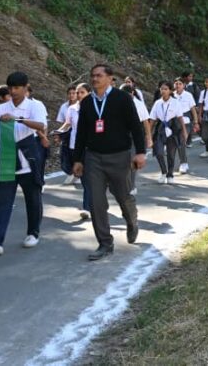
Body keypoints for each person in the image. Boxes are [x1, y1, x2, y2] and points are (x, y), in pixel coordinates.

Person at [73, 64, 146, 261]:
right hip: (94, 158)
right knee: (96, 202)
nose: (94, 79)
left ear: (110, 78)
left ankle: (132, 222)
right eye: (92, 75)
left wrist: (140, 153)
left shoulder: (122, 98)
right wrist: (78, 159)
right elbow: (81, 133)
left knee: (124, 197)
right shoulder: (87, 103)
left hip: (120, 156)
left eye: (99, 75)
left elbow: (135, 127)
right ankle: (105, 243)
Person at [0, 71, 47, 256]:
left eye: (17, 88)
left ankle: (33, 233)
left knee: (33, 197)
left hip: (28, 155)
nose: (13, 91)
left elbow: (41, 125)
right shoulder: (1, 108)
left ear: (25, 87)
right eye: (10, 88)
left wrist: (17, 119)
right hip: (6, 157)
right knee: (2, 199)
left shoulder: (35, 105)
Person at [56, 83, 92, 219]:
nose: (79, 95)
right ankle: (93, 201)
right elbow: (67, 124)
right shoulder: (72, 109)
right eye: (77, 92)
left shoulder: (95, 108)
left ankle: (87, 208)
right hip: (74, 147)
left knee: (87, 179)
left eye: (82, 92)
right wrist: (58, 132)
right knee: (80, 175)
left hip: (90, 148)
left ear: (89, 93)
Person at [150, 82, 184, 184]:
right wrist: (149, 134)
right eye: (161, 89)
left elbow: (180, 118)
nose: (163, 91)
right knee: (158, 152)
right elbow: (152, 119)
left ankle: (170, 174)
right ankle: (163, 172)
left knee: (171, 154)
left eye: (165, 89)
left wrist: (184, 131)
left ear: (170, 91)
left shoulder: (175, 102)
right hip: (161, 128)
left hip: (173, 127)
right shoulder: (157, 103)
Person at [172, 78, 199, 175]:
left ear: (183, 85)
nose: (178, 85)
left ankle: (183, 163)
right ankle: (175, 163)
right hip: (175, 122)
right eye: (176, 83)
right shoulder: (172, 95)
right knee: (174, 143)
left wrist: (196, 122)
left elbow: (193, 110)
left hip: (186, 121)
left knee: (181, 141)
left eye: (180, 83)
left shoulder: (188, 95)